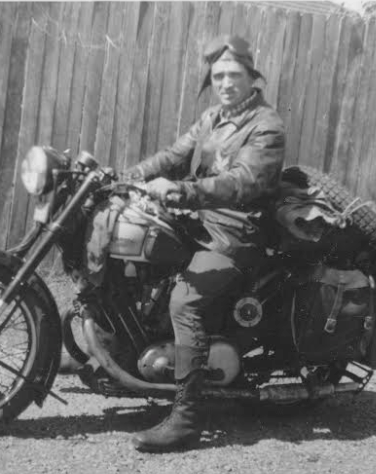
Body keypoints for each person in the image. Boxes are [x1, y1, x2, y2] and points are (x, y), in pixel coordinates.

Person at [123, 35, 285, 452]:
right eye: (218, 76)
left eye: (234, 75)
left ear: (251, 77)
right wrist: (129, 176)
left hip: (236, 232)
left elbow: (243, 182)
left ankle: (186, 419)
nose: (225, 83)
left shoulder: (266, 125)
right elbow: (173, 156)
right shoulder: (212, 117)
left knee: (185, 302)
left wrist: (183, 191)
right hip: (198, 220)